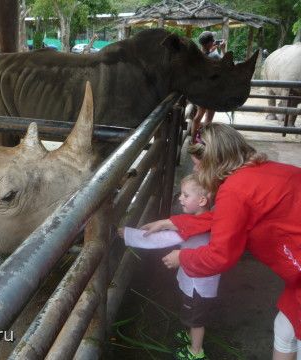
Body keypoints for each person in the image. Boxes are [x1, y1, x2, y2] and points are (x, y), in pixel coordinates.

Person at [142, 123, 301, 360]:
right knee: (286, 326)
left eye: (198, 167)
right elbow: (225, 218)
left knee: (290, 328)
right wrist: (171, 223)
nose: (197, 174)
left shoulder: (234, 190)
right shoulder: (268, 170)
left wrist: (182, 258)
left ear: (213, 164)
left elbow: (220, 255)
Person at [119, 174, 218, 360]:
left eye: (185, 195)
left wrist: (129, 235)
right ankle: (190, 337)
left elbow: (161, 239)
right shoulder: (200, 219)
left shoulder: (198, 226)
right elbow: (176, 228)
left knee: (196, 319)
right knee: (192, 312)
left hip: (200, 285)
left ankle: (196, 352)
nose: (180, 198)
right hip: (197, 279)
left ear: (202, 200)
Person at [190, 31, 226, 142]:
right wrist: (223, 49)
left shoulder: (198, 56)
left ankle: (193, 141)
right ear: (210, 42)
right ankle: (204, 141)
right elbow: (225, 65)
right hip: (212, 91)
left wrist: (210, 50)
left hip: (201, 90)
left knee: (197, 117)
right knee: (208, 118)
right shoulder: (214, 55)